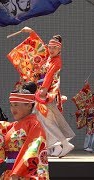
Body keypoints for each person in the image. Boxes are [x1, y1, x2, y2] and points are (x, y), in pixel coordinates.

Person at [21, 27, 75, 157]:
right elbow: (40, 45)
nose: (51, 50)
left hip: (47, 94)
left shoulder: (56, 61)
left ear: (59, 49)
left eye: (54, 48)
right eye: (50, 48)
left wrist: (43, 93)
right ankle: (55, 146)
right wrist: (31, 32)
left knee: (45, 120)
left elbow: (49, 77)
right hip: (42, 93)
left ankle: (62, 144)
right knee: (42, 120)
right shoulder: (49, 58)